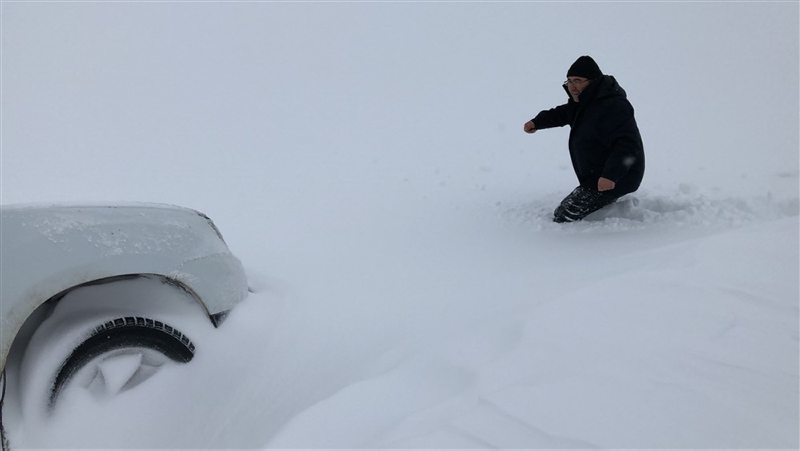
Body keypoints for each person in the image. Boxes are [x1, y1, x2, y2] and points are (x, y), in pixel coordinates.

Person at [524, 55, 645, 223]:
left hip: (619, 175)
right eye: (569, 81)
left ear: (593, 81)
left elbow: (628, 144)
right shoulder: (584, 103)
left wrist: (611, 175)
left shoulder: (614, 107)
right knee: (566, 213)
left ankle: (614, 213)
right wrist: (537, 122)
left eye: (578, 81)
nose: (572, 87)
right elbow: (562, 113)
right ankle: (607, 203)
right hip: (598, 175)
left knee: (564, 216)